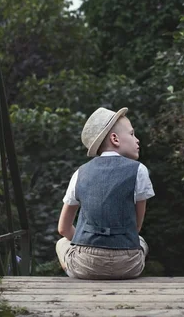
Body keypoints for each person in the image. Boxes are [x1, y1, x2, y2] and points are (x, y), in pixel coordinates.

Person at [55, 107, 155, 279]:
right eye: (132, 134)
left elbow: (63, 228)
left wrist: (85, 241)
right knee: (141, 242)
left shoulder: (80, 173)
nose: (137, 140)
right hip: (128, 266)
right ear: (114, 138)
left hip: (85, 266)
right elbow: (135, 228)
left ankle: (74, 269)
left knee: (61, 243)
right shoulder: (139, 170)